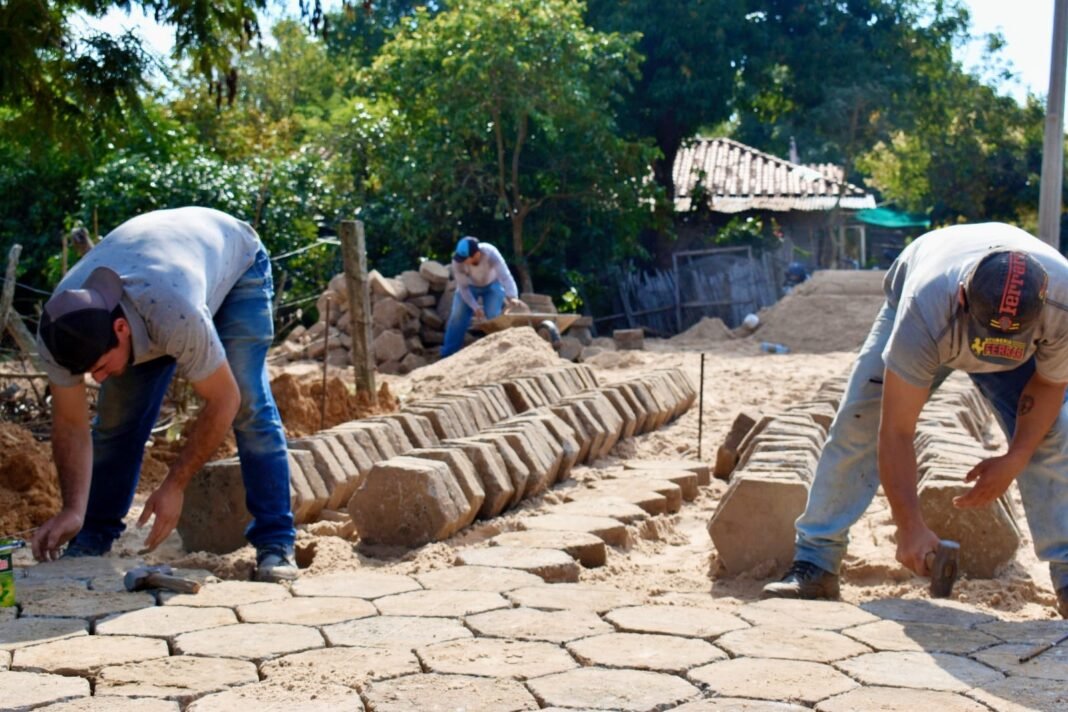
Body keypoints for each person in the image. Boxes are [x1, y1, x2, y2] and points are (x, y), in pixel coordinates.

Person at [762, 222, 1068, 619]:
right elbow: (896, 430)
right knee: (861, 421)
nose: (994, 350)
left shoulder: (1062, 305)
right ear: (962, 297)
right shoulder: (926, 308)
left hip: (1006, 333)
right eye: (987, 337)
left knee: (1056, 436)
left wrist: (1015, 458)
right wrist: (909, 525)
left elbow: (1047, 385)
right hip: (934, 316)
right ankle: (816, 561)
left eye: (1009, 338)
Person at [31, 206, 297, 582]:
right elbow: (71, 425)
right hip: (158, 277)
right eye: (88, 372)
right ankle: (92, 533)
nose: (97, 378)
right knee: (116, 420)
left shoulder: (176, 313)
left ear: (121, 329)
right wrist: (73, 509)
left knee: (249, 402)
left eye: (101, 366)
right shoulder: (60, 329)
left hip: (236, 267)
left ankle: (276, 542)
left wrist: (174, 485)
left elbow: (224, 400)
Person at [440, 236, 521, 357]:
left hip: (492, 284)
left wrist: (512, 295)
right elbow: (463, 288)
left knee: (494, 316)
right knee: (457, 316)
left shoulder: (491, 253)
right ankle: (448, 354)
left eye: (466, 258)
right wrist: (475, 307)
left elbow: (505, 276)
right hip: (470, 287)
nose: (463, 262)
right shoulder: (457, 262)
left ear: (476, 254)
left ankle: (501, 353)